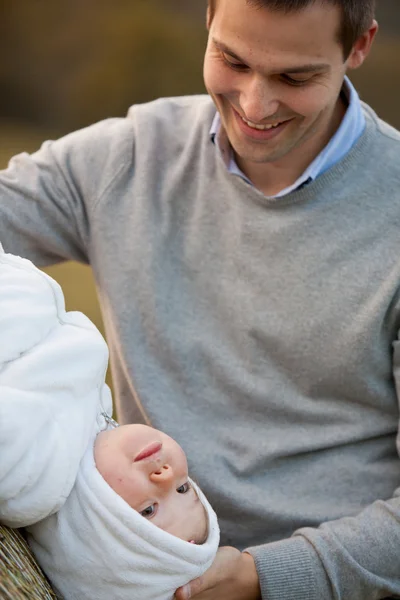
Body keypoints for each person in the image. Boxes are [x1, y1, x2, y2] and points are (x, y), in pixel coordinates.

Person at [0, 0, 399, 598]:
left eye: (296, 77)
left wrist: (265, 577)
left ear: (360, 46)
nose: (255, 105)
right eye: (232, 60)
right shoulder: (131, 156)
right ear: (209, 17)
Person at [0, 245, 219, 600]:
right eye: (183, 489)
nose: (166, 475)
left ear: (93, 528)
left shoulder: (32, 481)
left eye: (149, 510)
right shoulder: (93, 419)